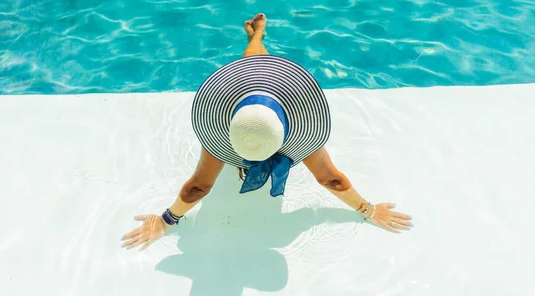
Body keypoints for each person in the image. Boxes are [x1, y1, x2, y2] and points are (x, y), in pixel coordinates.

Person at [121, 13, 413, 251]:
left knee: (252, 64)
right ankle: (257, 38)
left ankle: (256, 37)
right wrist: (368, 210)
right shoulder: (295, 130)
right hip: (264, 112)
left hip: (245, 110)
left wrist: (167, 220)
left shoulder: (224, 130)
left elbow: (198, 186)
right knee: (254, 64)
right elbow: (331, 179)